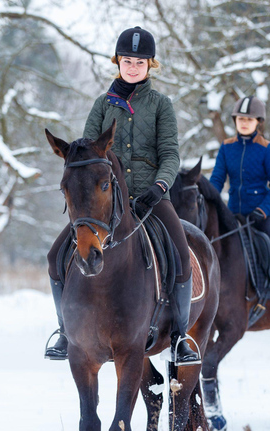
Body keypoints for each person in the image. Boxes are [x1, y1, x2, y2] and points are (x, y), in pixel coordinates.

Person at [44, 26, 200, 365]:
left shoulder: (161, 105)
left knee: (180, 254)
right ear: (118, 63)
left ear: (150, 65)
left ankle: (180, 336)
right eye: (127, 61)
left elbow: (170, 153)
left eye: (139, 62)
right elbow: (86, 151)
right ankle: (64, 330)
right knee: (56, 255)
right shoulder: (103, 104)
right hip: (104, 201)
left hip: (152, 197)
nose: (132, 67)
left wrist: (159, 188)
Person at [210, 96, 270, 330]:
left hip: (261, 216)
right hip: (232, 215)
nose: (244, 123)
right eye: (241, 119)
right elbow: (216, 181)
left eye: (249, 119)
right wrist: (210, 202)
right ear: (235, 120)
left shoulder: (266, 149)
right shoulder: (226, 147)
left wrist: (263, 210)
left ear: (258, 122)